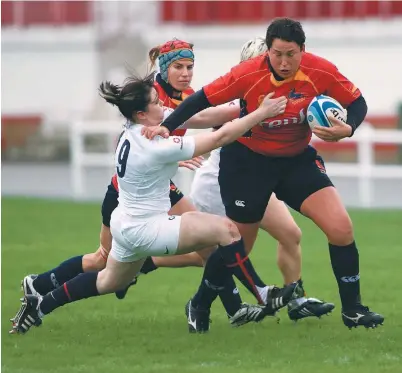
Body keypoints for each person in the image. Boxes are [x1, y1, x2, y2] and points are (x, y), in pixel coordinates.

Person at [9, 71, 297, 335]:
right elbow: (220, 136)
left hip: (126, 223)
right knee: (227, 231)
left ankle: (40, 305)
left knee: (109, 281)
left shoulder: (132, 131)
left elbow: (195, 119)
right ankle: (262, 293)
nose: (163, 107)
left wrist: (243, 105)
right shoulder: (156, 144)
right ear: (141, 114)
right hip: (149, 227)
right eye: (157, 103)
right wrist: (261, 113)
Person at [143, 18, 384, 329]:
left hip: (296, 161)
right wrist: (167, 125)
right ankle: (199, 304)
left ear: (303, 51)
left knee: (340, 228)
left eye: (291, 54)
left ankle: (353, 310)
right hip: (247, 163)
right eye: (277, 54)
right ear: (267, 51)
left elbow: (357, 102)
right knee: (238, 245)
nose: (283, 62)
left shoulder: (320, 70)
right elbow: (200, 99)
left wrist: (349, 126)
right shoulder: (247, 74)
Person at [189, 36, 334, 322]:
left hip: (255, 180)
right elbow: (206, 119)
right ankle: (190, 295)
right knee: (231, 251)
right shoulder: (242, 95)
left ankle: (297, 300)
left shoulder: (282, 91)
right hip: (221, 183)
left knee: (290, 235)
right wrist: (166, 126)